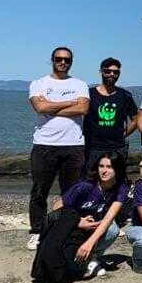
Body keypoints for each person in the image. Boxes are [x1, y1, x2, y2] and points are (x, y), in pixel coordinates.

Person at [27, 47, 90, 249]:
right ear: (52, 60)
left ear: (71, 62)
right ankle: (37, 231)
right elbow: (40, 108)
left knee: (71, 193)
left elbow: (83, 108)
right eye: (59, 59)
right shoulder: (38, 84)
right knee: (39, 192)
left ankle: (67, 230)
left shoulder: (80, 84)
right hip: (44, 145)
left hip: (73, 146)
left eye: (67, 60)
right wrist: (69, 102)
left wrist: (52, 107)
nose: (63, 62)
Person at [51, 150, 129, 278]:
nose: (103, 171)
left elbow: (109, 217)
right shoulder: (85, 186)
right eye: (101, 166)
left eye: (109, 167)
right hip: (72, 225)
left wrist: (90, 243)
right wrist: (77, 222)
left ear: (117, 169)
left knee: (113, 229)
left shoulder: (122, 187)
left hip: (94, 225)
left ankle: (91, 257)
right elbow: (56, 208)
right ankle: (74, 255)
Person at [83, 57, 138, 173]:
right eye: (108, 71)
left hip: (117, 147)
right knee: (89, 181)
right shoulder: (89, 94)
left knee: (117, 182)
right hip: (93, 147)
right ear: (101, 72)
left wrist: (123, 134)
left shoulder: (125, 95)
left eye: (116, 72)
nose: (112, 74)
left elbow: (136, 119)